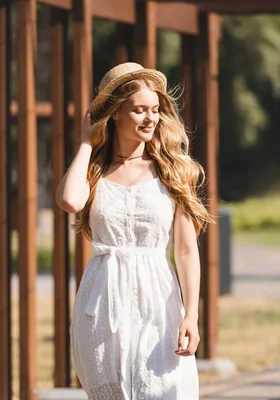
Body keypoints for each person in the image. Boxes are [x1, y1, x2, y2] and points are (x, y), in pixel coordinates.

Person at [56, 62, 213, 399]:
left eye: (155, 110)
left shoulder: (173, 170)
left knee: (164, 389)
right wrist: (86, 142)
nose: (149, 118)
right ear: (115, 113)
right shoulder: (94, 171)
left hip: (159, 299)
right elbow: (70, 201)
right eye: (139, 110)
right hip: (102, 300)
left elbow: (186, 251)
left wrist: (192, 315)